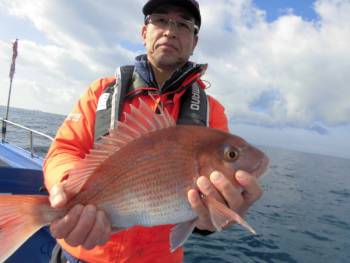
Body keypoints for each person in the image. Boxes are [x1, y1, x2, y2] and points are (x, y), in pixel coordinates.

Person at [44, 0, 263, 262]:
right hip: (81, 255)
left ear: (194, 42)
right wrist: (68, 187)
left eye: (183, 24)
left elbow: (208, 210)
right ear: (144, 32)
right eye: (160, 20)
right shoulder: (101, 92)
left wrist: (218, 216)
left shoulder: (211, 112)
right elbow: (66, 148)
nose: (170, 31)